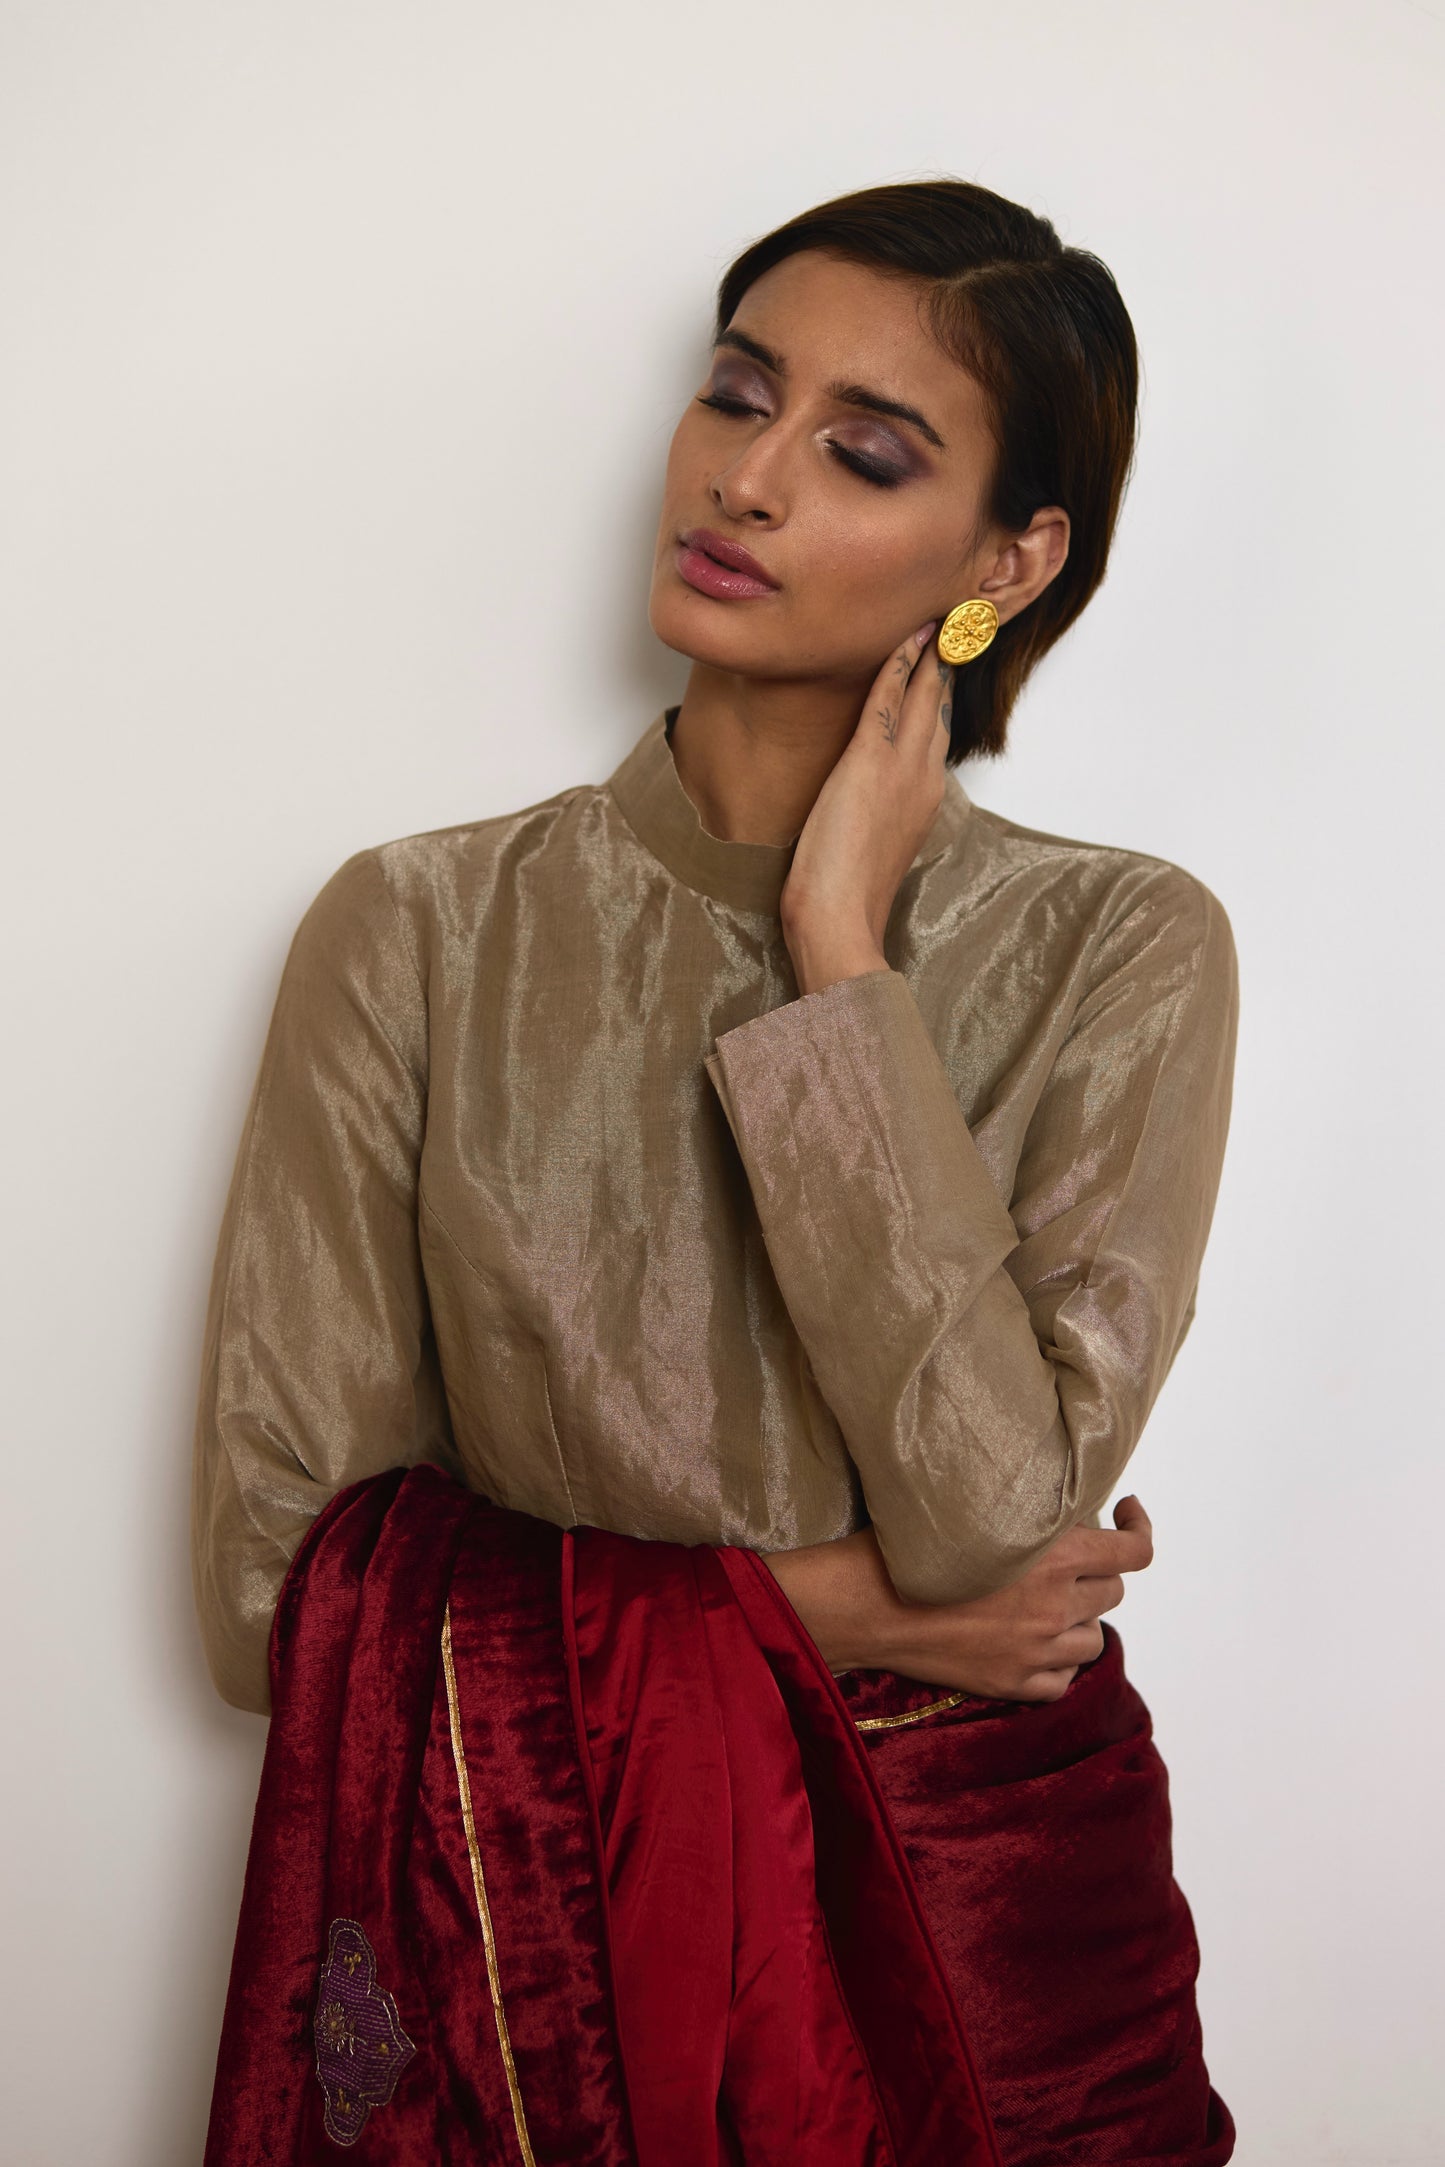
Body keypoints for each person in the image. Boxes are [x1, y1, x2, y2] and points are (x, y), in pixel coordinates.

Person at [193, 178, 1240, 2163]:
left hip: (988, 1979)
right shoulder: (418, 930)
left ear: (1009, 560)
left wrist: (838, 949)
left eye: (859, 450)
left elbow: (990, 1519)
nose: (745, 480)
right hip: (540, 1957)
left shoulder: (1128, 948)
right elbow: (276, 1593)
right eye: (734, 396)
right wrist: (814, 1614)